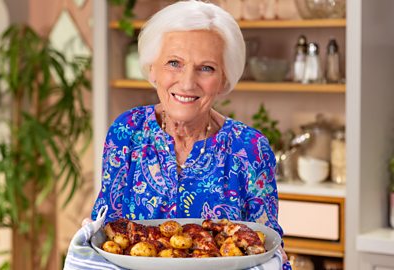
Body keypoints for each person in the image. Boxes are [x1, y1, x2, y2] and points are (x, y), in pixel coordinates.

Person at [91, 1, 291, 268]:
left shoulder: (250, 148)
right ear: (153, 69)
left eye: (206, 68)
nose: (187, 82)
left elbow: (267, 245)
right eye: (174, 63)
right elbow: (104, 233)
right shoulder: (127, 131)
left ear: (224, 79)